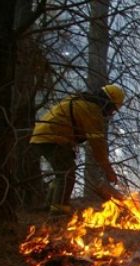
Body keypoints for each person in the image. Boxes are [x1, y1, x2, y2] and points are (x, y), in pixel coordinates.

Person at [29, 84, 125, 215]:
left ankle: (49, 205)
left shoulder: (81, 100)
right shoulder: (91, 111)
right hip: (52, 137)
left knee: (61, 172)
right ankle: (58, 212)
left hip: (43, 135)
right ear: (107, 103)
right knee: (66, 173)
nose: (111, 113)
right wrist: (108, 170)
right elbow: (98, 146)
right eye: (112, 109)